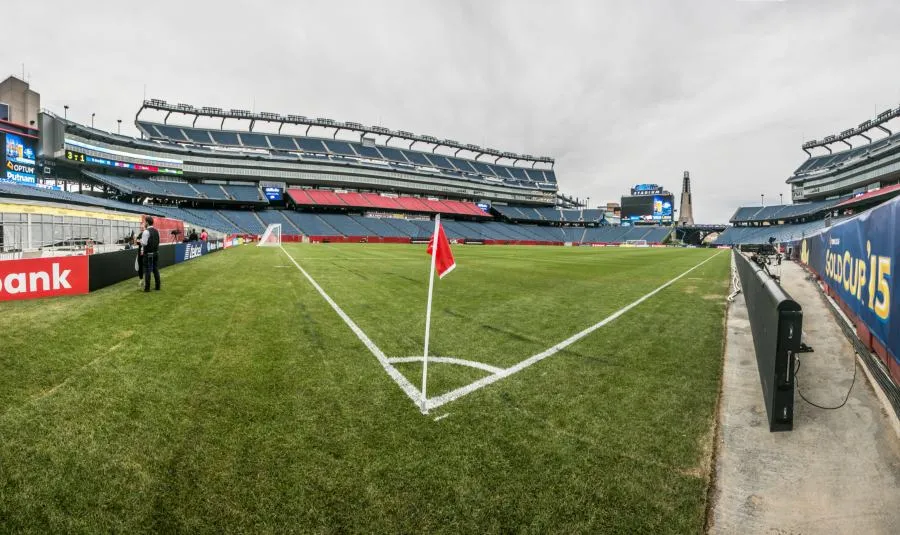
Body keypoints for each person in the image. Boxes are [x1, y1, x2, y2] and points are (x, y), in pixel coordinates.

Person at [139, 216, 161, 292]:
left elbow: (144, 243)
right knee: (155, 269)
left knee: (147, 270)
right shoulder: (157, 231)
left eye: (145, 222)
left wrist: (140, 241)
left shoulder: (146, 232)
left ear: (147, 223)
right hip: (156, 252)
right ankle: (158, 286)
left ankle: (147, 288)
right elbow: (159, 241)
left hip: (148, 253)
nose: (144, 223)